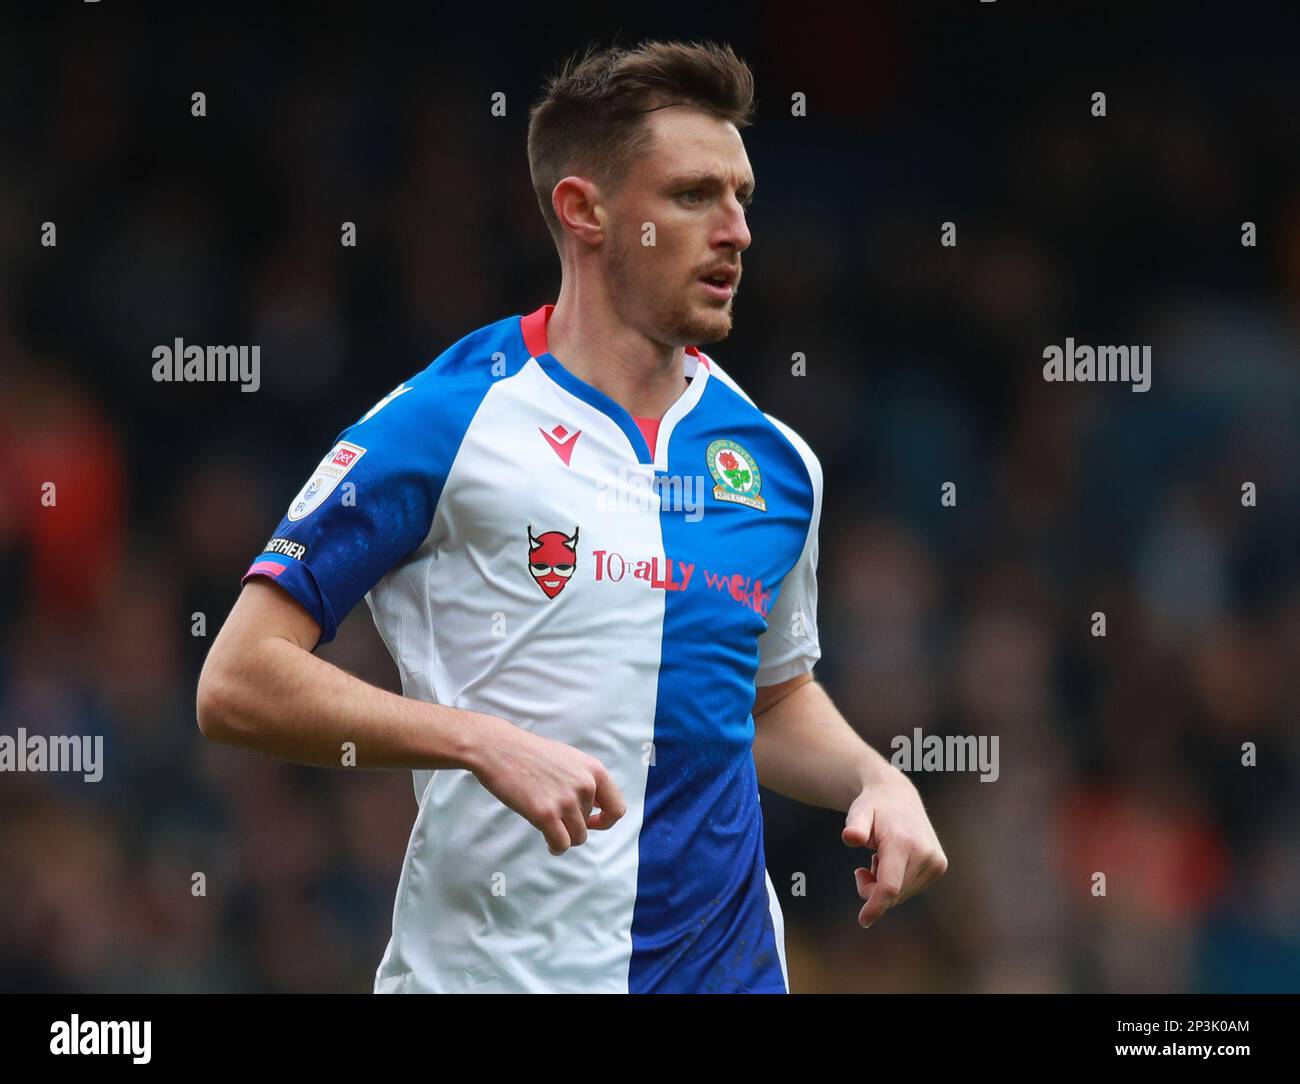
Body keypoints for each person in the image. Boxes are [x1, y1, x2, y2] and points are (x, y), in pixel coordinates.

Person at [196, 38, 947, 994]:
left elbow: (762, 698)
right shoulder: (445, 420)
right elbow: (237, 682)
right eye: (692, 196)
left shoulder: (774, 461)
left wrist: (877, 780)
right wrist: (476, 738)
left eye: (742, 197)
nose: (736, 231)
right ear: (585, 211)